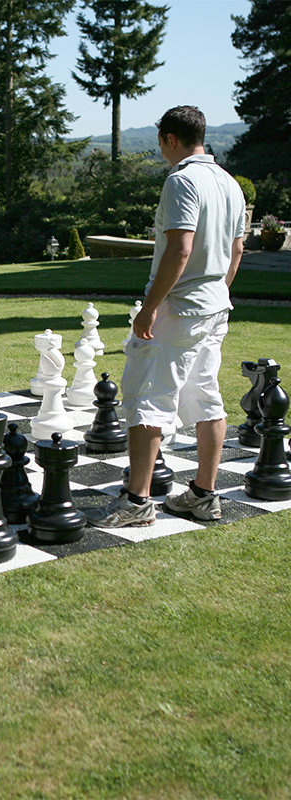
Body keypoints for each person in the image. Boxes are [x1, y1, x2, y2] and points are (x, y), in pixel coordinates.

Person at [87, 105, 246, 528]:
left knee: (146, 398)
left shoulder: (181, 181)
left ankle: (137, 501)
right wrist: (219, 292)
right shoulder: (230, 184)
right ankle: (202, 495)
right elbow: (236, 252)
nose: (161, 152)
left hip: (181, 307)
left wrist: (151, 307)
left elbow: (179, 250)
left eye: (161, 143)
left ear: (170, 139)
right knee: (205, 395)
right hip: (214, 306)